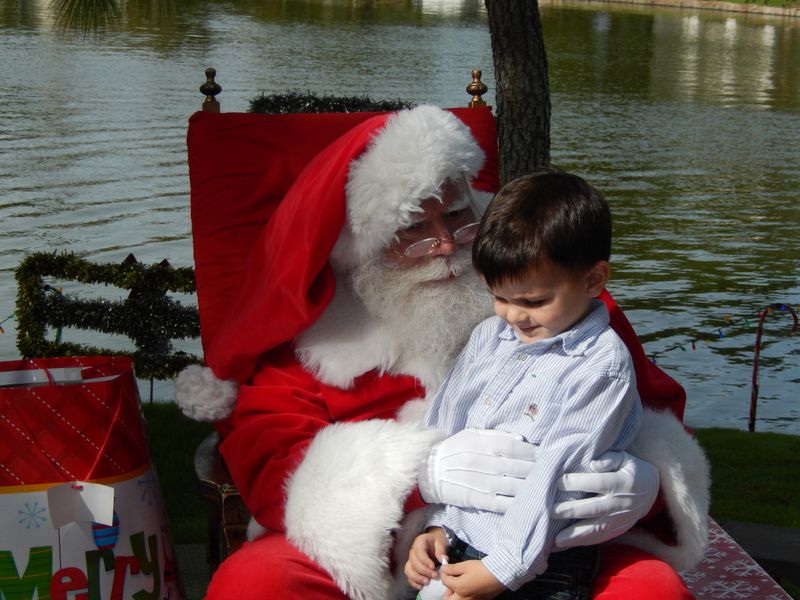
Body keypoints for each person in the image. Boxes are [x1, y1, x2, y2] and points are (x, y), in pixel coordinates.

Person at [175, 105, 710, 600]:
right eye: (413, 230)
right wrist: (416, 477)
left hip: (552, 543)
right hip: (374, 551)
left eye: (457, 216)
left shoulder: (554, 299)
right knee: (255, 581)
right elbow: (272, 466)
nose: (449, 246)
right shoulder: (313, 335)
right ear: (360, 244)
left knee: (649, 590)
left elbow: (650, 407)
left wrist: (644, 483)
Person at [406, 170, 641, 600]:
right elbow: (448, 431)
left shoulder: (600, 368)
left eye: (533, 302)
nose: (513, 316)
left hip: (542, 558)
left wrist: (505, 567)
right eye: (500, 297)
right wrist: (437, 522)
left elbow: (556, 474)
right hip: (461, 538)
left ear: (593, 281)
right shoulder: (488, 337)